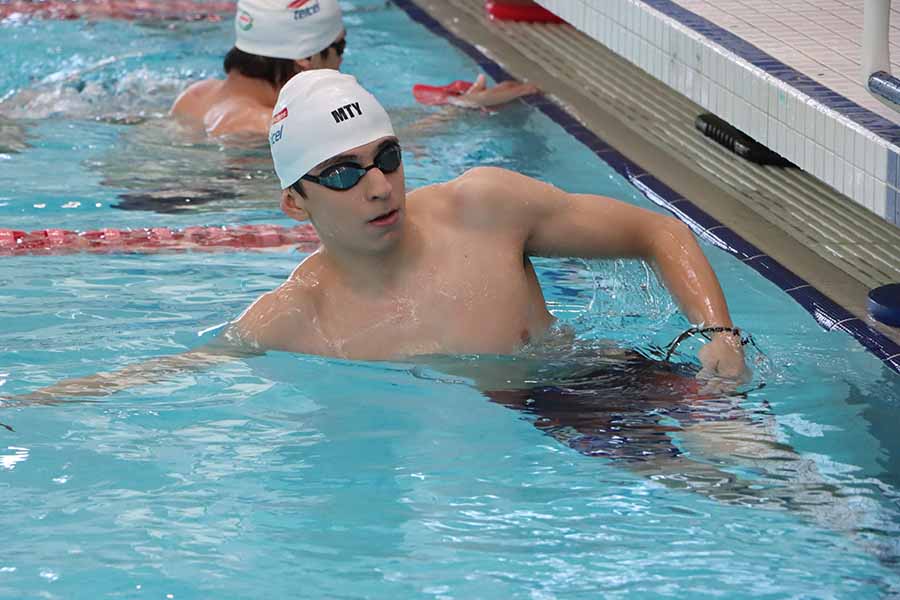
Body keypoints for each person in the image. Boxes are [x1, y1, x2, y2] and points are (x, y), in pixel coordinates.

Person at [170, 0, 539, 137]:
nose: (342, 61)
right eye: (339, 48)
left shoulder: (195, 96)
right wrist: (466, 110)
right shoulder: (270, 125)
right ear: (305, 59)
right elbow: (382, 142)